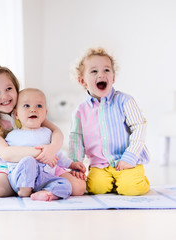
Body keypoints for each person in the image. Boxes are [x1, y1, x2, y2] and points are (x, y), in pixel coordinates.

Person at [0, 66, 86, 197]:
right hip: (11, 168)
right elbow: (5, 153)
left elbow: (56, 131)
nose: (4, 96)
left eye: (9, 89)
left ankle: (42, 189)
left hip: (44, 165)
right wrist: (41, 153)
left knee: (79, 187)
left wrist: (51, 149)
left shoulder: (27, 108)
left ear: (16, 88)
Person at [69, 47, 150, 196]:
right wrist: (75, 164)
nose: (101, 74)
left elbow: (139, 126)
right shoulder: (81, 111)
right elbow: (76, 139)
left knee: (131, 188)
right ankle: (114, 182)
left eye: (107, 70)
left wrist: (130, 157)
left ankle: (133, 179)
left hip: (125, 160)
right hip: (100, 165)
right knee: (96, 188)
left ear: (113, 78)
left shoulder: (125, 101)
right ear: (82, 81)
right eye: (94, 71)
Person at [6, 88, 86, 201]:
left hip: (44, 178)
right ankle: (25, 189)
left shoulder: (48, 133)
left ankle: (48, 194)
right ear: (16, 113)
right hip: (22, 177)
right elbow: (2, 155)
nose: (33, 110)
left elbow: (57, 155)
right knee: (28, 160)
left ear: (45, 113)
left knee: (65, 184)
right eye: (27, 106)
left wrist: (71, 165)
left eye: (39, 106)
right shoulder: (12, 136)